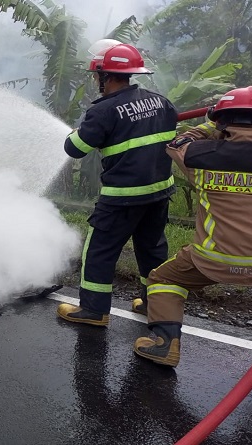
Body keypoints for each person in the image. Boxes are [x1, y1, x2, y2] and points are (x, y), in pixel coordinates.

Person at [134, 86, 252, 367]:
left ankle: (164, 346)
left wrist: (209, 125)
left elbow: (176, 142)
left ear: (221, 120)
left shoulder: (197, 155)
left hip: (214, 259)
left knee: (163, 280)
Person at [57, 41, 178, 327]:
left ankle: (93, 310)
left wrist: (77, 132)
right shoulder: (161, 102)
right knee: (152, 251)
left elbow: (75, 149)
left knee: (99, 251)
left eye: (95, 75)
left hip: (122, 198)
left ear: (105, 75)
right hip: (159, 193)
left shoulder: (104, 111)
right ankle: (153, 305)